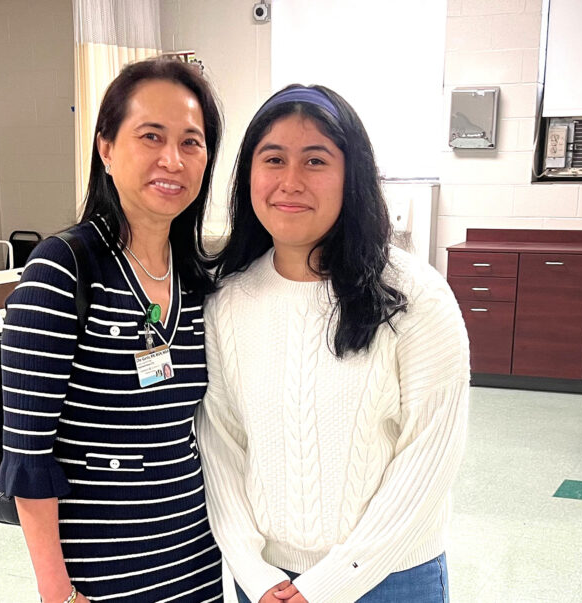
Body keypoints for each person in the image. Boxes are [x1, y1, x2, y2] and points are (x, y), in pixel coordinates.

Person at [196, 85, 470, 603]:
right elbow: (221, 444)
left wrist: (330, 584)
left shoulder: (415, 297)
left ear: (353, 177)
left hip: (391, 579)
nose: (290, 182)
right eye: (273, 159)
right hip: (268, 581)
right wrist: (254, 572)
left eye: (316, 160)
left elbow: (428, 460)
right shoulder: (228, 302)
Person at [0, 57, 224, 603]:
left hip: (199, 561)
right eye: (151, 136)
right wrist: (59, 592)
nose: (172, 159)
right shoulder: (63, 270)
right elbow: (28, 456)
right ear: (105, 147)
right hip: (100, 574)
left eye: (191, 142)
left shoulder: (199, 281)